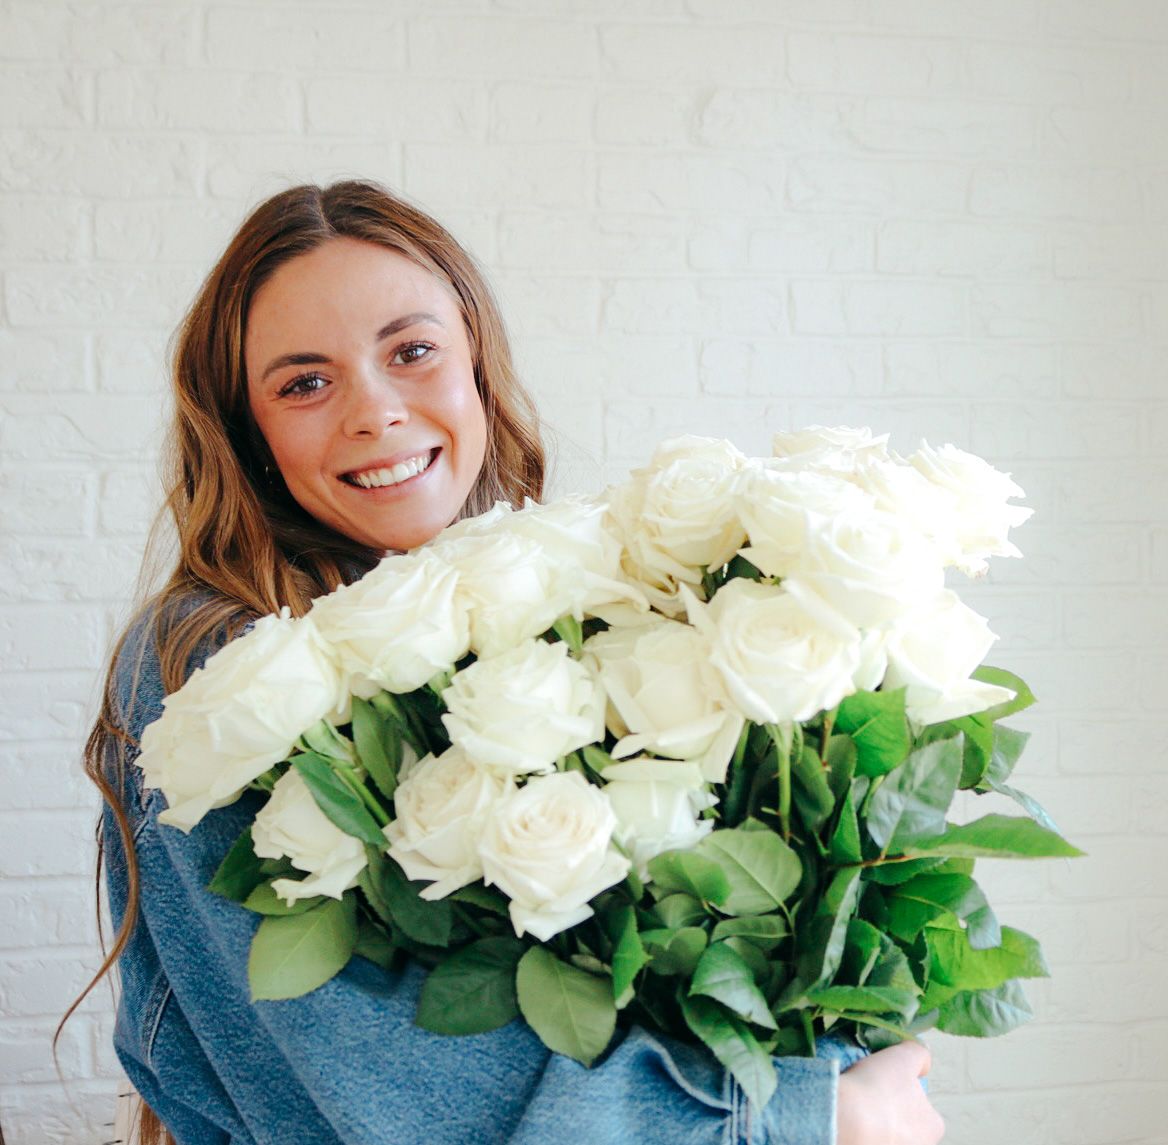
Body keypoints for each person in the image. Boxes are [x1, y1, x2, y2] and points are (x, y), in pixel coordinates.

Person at [68, 181, 947, 1145]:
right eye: (304, 382)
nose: (374, 412)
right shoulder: (216, 663)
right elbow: (388, 1072)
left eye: (412, 352)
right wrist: (790, 1119)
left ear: (476, 364)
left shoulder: (565, 606)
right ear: (251, 433)